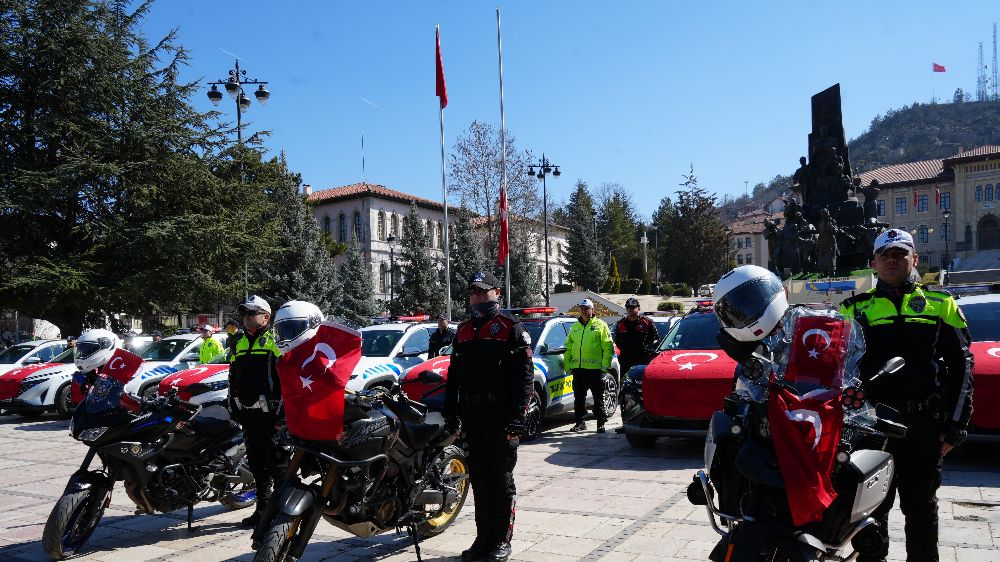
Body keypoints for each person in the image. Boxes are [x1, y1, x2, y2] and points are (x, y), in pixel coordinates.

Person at [839, 228, 974, 562]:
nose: (892, 261)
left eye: (900, 255)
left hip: (923, 424)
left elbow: (963, 365)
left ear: (914, 259)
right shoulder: (853, 310)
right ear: (874, 263)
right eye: (885, 256)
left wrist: (957, 423)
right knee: (871, 515)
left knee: (921, 510)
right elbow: (837, 371)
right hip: (873, 426)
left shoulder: (941, 304)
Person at [444, 271, 533, 562]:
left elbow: (524, 378)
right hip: (472, 415)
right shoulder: (464, 330)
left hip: (500, 416)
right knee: (479, 481)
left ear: (497, 293)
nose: (478, 297)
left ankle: (501, 541)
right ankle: (483, 539)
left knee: (501, 480)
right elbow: (454, 374)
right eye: (474, 292)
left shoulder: (511, 328)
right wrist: (450, 410)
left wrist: (519, 417)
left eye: (484, 292)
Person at [228, 295, 282, 528]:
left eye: (252, 313)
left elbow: (286, 377)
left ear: (266, 316)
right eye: (245, 314)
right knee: (257, 464)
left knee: (276, 464)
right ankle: (262, 511)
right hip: (248, 413)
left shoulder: (275, 339)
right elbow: (233, 375)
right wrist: (232, 403)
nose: (247, 318)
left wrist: (282, 411)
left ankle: (282, 513)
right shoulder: (238, 341)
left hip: (271, 414)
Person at [564, 299, 614, 433]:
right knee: (579, 398)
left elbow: (608, 347)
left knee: (598, 398)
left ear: (592, 310)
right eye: (582, 308)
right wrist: (568, 365)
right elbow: (568, 347)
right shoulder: (575, 327)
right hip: (579, 369)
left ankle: (600, 423)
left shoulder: (600, 325)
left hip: (595, 370)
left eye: (587, 308)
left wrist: (605, 366)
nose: (584, 311)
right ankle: (580, 422)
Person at [613, 298, 660, 380]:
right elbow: (618, 341)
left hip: (642, 360)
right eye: (627, 307)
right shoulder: (621, 323)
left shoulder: (647, 323)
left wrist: (646, 351)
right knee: (623, 384)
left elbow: (655, 340)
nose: (629, 309)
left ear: (638, 308)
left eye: (632, 307)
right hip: (625, 360)